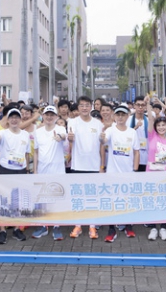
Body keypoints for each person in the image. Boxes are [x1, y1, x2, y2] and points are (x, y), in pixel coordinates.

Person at [100, 105, 139, 242]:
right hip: (112, 172)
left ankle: (128, 226)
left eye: (123, 115)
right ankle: (112, 228)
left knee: (128, 199)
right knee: (112, 200)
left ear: (127, 116)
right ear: (114, 117)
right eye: (118, 115)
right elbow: (104, 141)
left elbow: (136, 151)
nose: (121, 117)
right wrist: (102, 137)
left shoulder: (132, 132)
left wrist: (135, 169)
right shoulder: (110, 130)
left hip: (128, 172)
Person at [0, 108, 32, 244]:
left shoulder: (25, 135)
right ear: (7, 120)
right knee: (2, 201)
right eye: (11, 117)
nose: (14, 120)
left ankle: (16, 229)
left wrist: (27, 170)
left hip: (20, 170)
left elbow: (27, 154)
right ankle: (2, 230)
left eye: (17, 117)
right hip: (5, 169)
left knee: (19, 201)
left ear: (20, 119)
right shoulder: (2, 133)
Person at [67, 96, 103, 239]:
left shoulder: (97, 123)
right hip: (78, 165)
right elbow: (70, 140)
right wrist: (70, 138)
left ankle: (92, 227)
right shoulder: (72, 122)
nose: (84, 108)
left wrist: (101, 165)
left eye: (87, 105)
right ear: (78, 107)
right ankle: (78, 225)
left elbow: (101, 144)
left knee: (92, 196)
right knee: (78, 196)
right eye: (81, 105)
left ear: (91, 106)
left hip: (94, 165)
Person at [32, 106, 68, 240]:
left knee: (57, 199)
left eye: (52, 115)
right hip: (42, 170)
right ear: (43, 116)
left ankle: (57, 227)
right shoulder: (38, 131)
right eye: (47, 114)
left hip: (57, 170)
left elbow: (63, 137)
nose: (49, 117)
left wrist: (60, 137)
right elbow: (35, 151)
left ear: (56, 117)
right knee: (42, 199)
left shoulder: (60, 129)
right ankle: (43, 226)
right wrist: (35, 170)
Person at [145, 117, 166, 241]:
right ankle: (153, 228)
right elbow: (151, 120)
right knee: (152, 201)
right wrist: (148, 103)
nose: (161, 127)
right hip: (151, 173)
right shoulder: (152, 137)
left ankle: (163, 228)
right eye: (159, 125)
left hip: (165, 174)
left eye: (164, 125)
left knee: (164, 200)